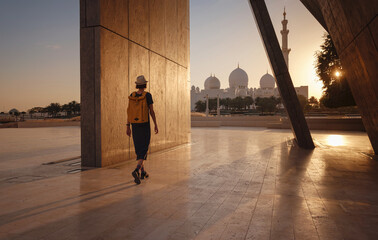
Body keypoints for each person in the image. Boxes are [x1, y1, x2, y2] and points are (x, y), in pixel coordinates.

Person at [127, 75, 158, 184]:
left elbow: (129, 111)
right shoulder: (147, 95)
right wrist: (155, 124)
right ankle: (136, 169)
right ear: (145, 85)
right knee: (144, 149)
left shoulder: (132, 95)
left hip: (134, 125)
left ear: (137, 85)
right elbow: (152, 111)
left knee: (139, 148)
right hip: (144, 125)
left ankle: (143, 172)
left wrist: (128, 126)